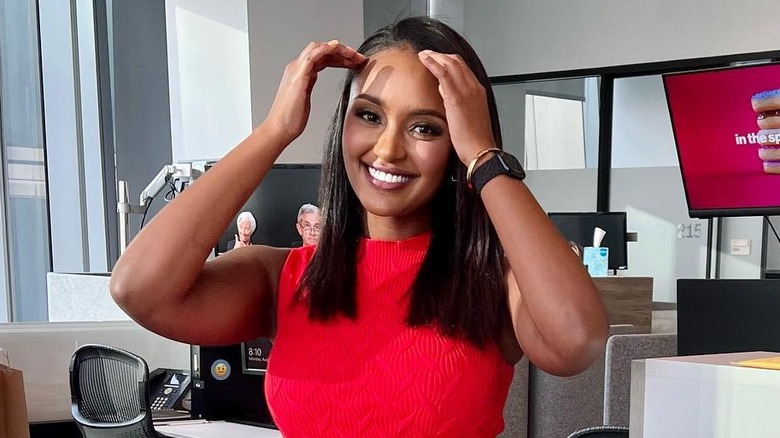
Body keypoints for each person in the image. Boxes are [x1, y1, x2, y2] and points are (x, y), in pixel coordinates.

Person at [110, 17, 607, 436]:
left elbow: (576, 341)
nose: (388, 149)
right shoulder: (286, 276)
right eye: (369, 115)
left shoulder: (490, 282)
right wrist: (275, 131)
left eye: (425, 127)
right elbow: (139, 289)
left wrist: (484, 156)